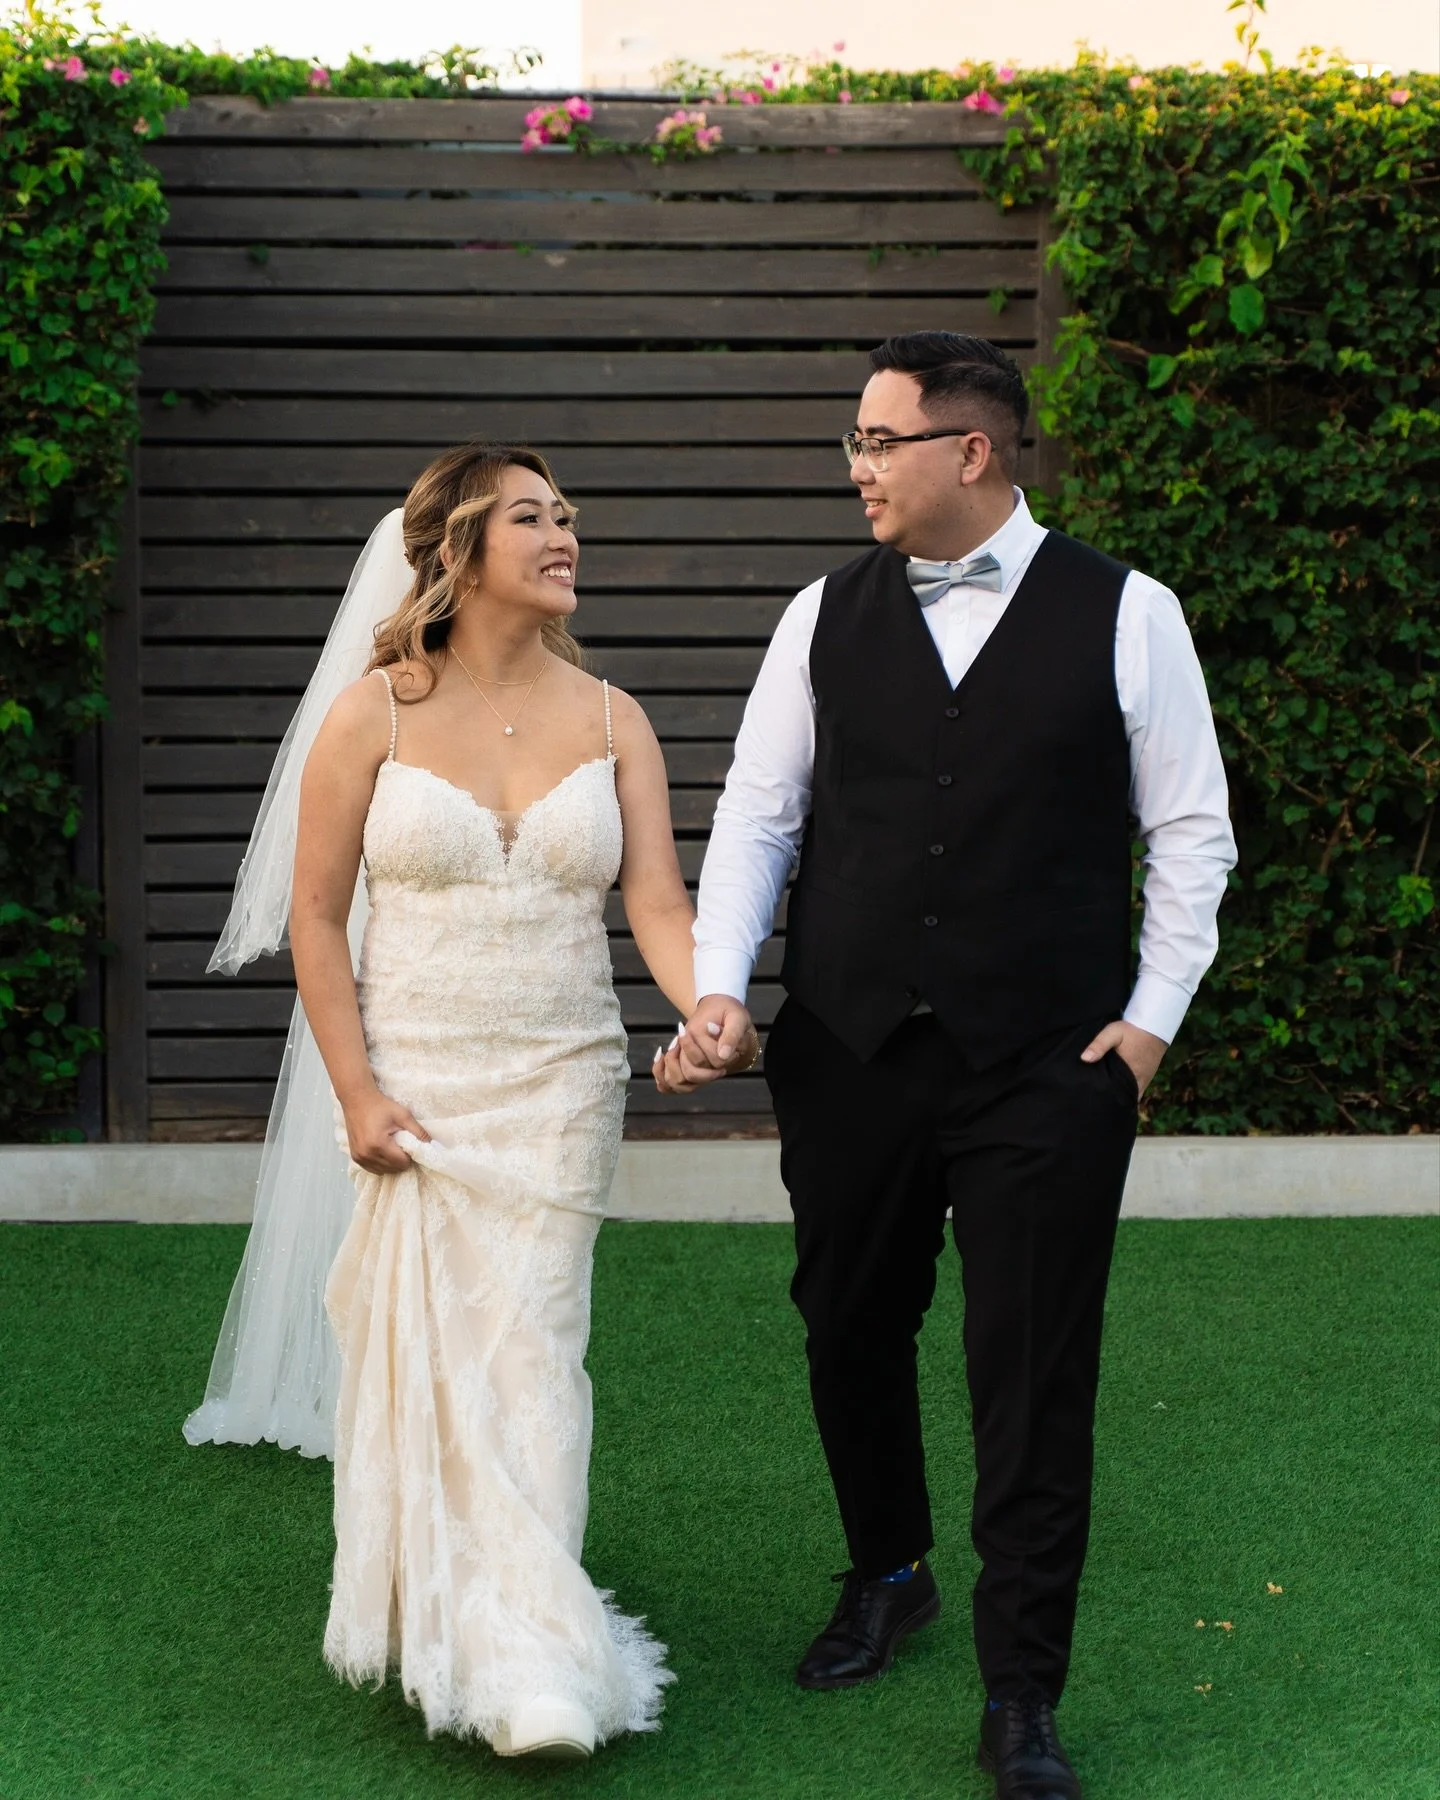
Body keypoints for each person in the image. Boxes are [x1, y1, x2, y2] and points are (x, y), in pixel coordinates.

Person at [657, 333, 1237, 1800]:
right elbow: (760, 816)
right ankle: (889, 1569)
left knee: (1032, 1371)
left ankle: (1021, 1693)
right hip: (849, 1047)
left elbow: (1191, 832)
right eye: (855, 441)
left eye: (877, 440)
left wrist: (1149, 1028)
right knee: (848, 1320)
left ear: (969, 451)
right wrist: (721, 988)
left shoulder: (1131, 611)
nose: (856, 467)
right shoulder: (819, 615)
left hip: (1048, 1061)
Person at [189, 443, 750, 1760]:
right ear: (457, 551)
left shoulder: (613, 720)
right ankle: (481, 1635)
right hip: (421, 1081)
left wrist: (708, 1004)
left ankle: (532, 1651)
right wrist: (357, 1092)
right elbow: (316, 920)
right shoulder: (371, 716)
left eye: (568, 516)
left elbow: (657, 902)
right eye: (532, 519)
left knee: (534, 1345)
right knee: (437, 1359)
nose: (564, 537)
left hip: (563, 1079)